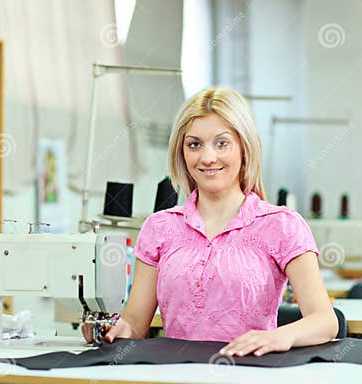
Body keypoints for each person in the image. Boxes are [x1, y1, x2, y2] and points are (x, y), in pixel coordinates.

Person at [82, 87, 338, 357]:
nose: (207, 157)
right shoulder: (159, 228)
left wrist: (278, 337)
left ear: (244, 148)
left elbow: (325, 321)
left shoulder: (282, 226)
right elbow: (134, 324)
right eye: (194, 144)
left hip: (249, 374)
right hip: (177, 374)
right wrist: (109, 330)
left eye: (222, 143)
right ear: (181, 152)